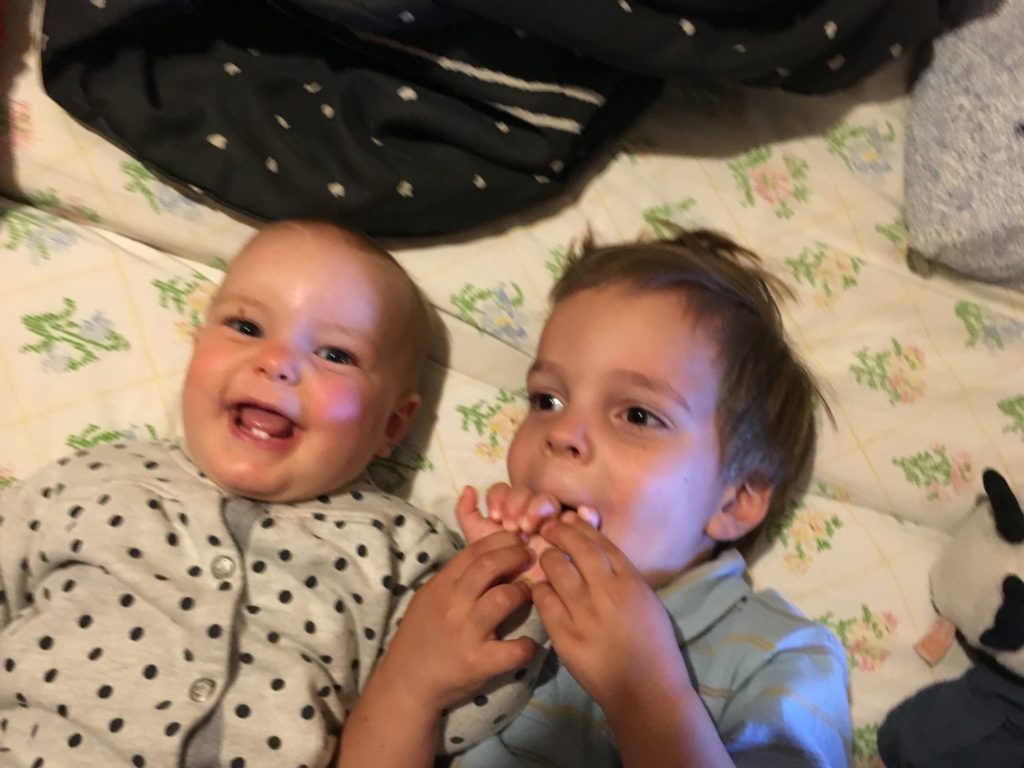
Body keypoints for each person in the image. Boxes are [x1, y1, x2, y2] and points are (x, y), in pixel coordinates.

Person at [0, 220, 542, 768]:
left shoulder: (402, 549)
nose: (279, 363)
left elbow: (459, 711)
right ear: (194, 348)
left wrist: (519, 582)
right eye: (246, 326)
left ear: (392, 426)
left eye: (336, 355)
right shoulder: (97, 478)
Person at [448, 228, 852, 767]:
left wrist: (644, 694)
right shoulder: (494, 595)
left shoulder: (781, 656)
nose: (562, 432)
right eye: (546, 399)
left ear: (734, 500)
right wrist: (486, 595)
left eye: (637, 415)